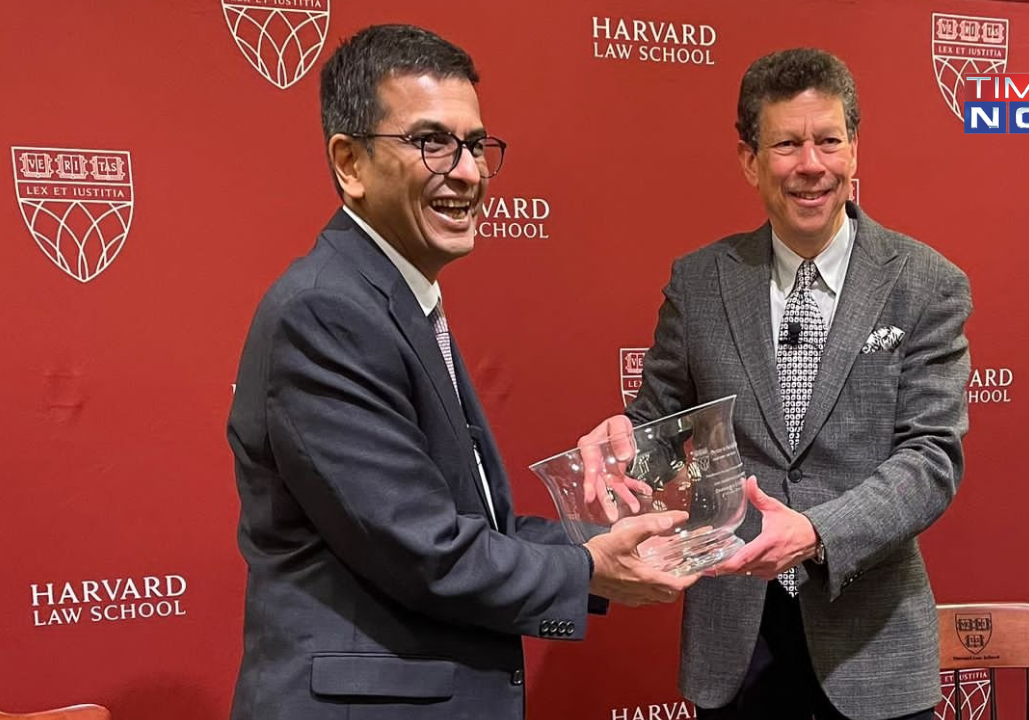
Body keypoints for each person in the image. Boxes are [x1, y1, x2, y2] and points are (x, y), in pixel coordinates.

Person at [226, 24, 695, 720]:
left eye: (475, 144)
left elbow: (474, 527)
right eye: (430, 142)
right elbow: (422, 549)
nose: (469, 172)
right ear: (349, 163)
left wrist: (608, 540)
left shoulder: (398, 299)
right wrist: (592, 568)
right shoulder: (326, 311)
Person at [581, 48, 972, 720]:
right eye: (787, 143)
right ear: (749, 160)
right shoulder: (699, 283)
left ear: (854, 149)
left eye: (828, 140)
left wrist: (815, 531)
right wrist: (627, 442)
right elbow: (661, 436)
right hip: (735, 646)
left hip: (873, 646)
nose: (810, 165)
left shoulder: (926, 284)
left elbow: (931, 460)